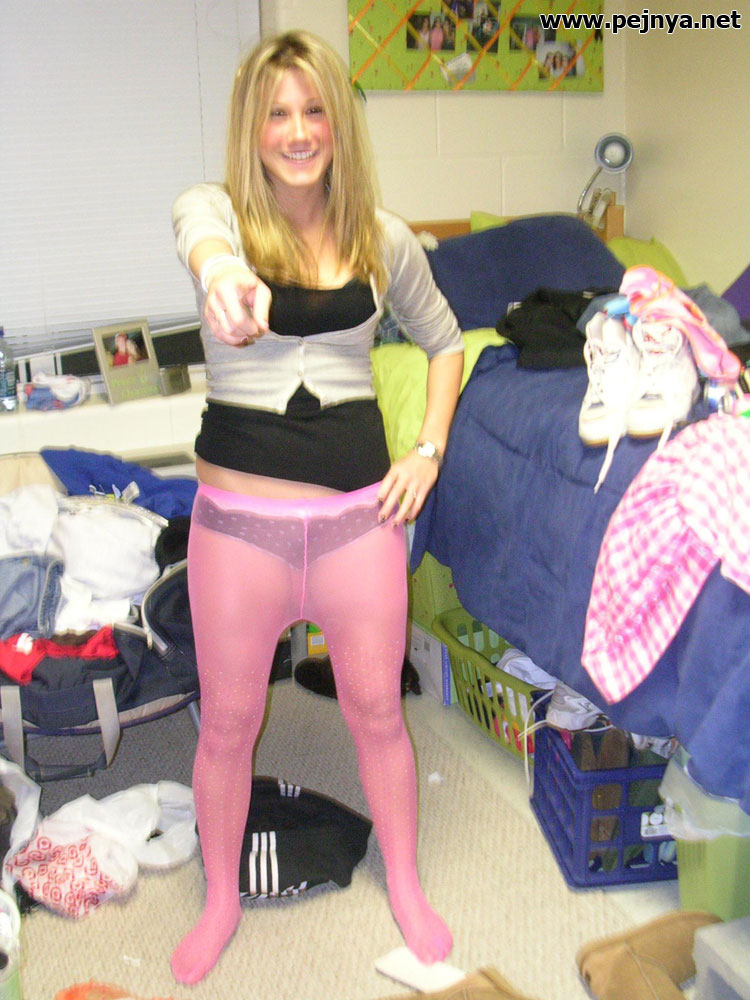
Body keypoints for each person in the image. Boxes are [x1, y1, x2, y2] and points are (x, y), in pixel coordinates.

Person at [170, 30, 464, 985]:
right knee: (228, 723)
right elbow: (199, 235)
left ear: (338, 122)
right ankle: (221, 900)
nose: (297, 132)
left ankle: (405, 881)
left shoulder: (384, 238)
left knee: (378, 711)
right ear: (251, 128)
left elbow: (446, 342)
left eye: (313, 111)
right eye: (277, 114)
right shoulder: (217, 213)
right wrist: (224, 277)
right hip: (239, 535)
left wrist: (428, 451)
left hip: (356, 531)